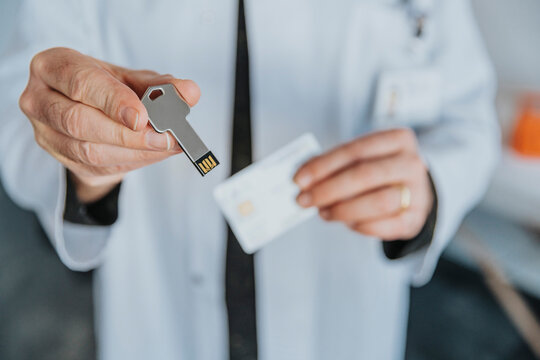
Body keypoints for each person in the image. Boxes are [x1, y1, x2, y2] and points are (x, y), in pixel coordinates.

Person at [0, 0, 499, 359]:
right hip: (158, 305)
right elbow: (20, 117)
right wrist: (83, 161)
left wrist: (426, 189)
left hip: (343, 302)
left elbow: (469, 119)